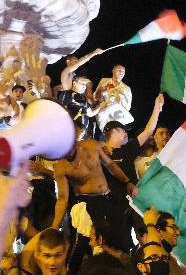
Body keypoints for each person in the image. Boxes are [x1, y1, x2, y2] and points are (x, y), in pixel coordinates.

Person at [51, 130, 138, 271]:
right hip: (87, 202)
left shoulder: (91, 145)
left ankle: (124, 270)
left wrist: (127, 181)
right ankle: (69, 272)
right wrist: (55, 226)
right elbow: (62, 198)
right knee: (82, 242)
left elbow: (110, 165)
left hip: (108, 198)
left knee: (119, 238)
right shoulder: (61, 167)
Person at [100, 92, 165, 251]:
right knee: (121, 247)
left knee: (145, 238)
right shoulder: (99, 153)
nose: (126, 133)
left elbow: (149, 131)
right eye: (123, 130)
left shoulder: (129, 149)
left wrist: (157, 107)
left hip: (135, 203)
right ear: (114, 131)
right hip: (114, 208)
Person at [91, 64, 134, 132]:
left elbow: (128, 107)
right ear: (113, 71)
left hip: (117, 117)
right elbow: (95, 98)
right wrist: (101, 90)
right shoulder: (104, 81)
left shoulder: (126, 88)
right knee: (103, 137)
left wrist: (120, 96)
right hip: (104, 116)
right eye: (119, 70)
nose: (121, 72)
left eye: (123, 71)